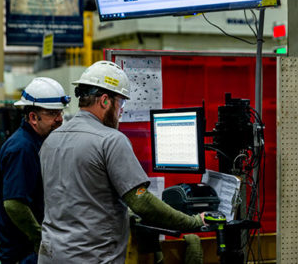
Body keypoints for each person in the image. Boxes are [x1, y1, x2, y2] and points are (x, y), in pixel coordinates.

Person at [38, 61, 206, 264]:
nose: (122, 111)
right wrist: (194, 222)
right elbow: (141, 202)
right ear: (105, 101)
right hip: (91, 258)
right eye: (122, 103)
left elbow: (77, 195)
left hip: (50, 256)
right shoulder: (110, 140)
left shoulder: (51, 139)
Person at [0, 77, 71, 264]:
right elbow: (14, 204)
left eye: (60, 112)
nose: (60, 119)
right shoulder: (22, 149)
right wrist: (40, 239)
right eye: (53, 114)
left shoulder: (38, 143)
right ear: (33, 118)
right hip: (23, 254)